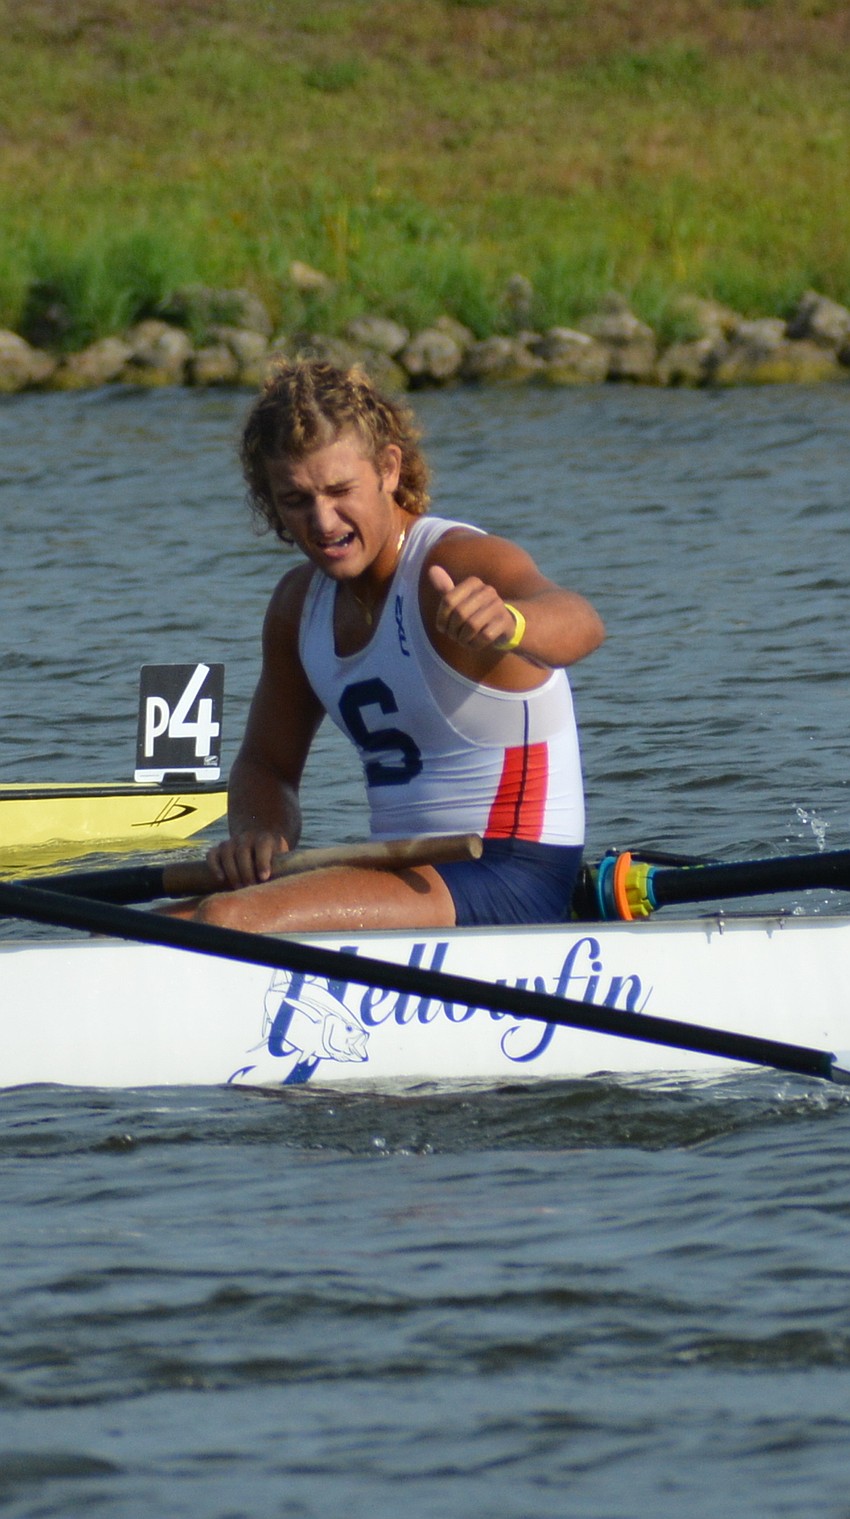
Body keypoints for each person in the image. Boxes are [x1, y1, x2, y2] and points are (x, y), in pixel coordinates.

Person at [178, 357, 604, 933]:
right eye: (296, 500)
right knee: (132, 928)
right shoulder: (296, 607)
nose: (323, 522)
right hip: (406, 874)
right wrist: (259, 834)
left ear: (388, 469)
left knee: (225, 918)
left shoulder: (452, 563)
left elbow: (582, 622)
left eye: (339, 490)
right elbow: (267, 764)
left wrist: (513, 624)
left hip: (513, 872)